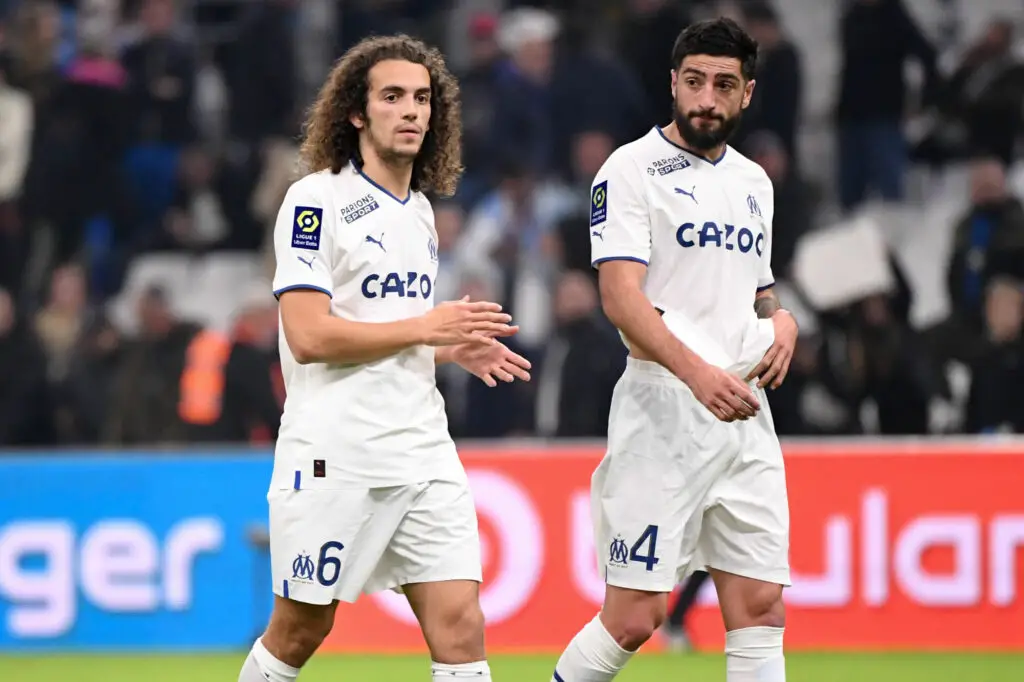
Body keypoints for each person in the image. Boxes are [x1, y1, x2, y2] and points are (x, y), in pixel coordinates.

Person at [237, 34, 532, 682]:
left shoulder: (420, 212)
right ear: (356, 112)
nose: (411, 111)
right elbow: (309, 336)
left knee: (461, 625)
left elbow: (386, 330)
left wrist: (446, 347)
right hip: (336, 449)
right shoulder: (315, 200)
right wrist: (426, 326)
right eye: (393, 96)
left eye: (422, 98)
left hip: (421, 446)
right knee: (300, 629)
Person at [549, 18, 799, 682]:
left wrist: (783, 321)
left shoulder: (754, 183)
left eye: (724, 85)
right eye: (694, 81)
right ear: (673, 84)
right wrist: (696, 374)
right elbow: (620, 298)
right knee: (635, 616)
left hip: (744, 410)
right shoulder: (629, 170)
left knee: (761, 605)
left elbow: (759, 291)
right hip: (665, 407)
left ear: (747, 93)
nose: (706, 99)